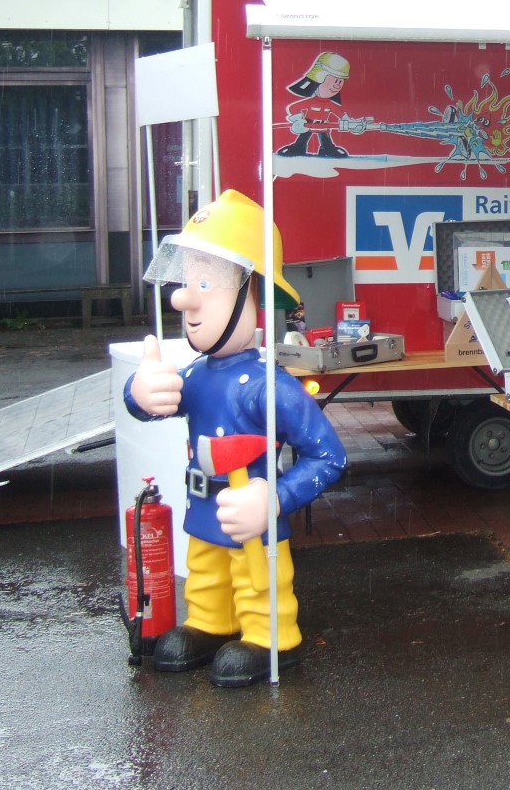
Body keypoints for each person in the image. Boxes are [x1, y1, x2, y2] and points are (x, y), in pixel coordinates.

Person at [124, 189, 346, 687]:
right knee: (205, 575)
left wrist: (275, 499)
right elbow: (153, 404)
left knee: (258, 582)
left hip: (253, 524)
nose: (184, 298)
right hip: (204, 512)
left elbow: (329, 457)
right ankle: (210, 623)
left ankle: (271, 637)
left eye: (206, 283)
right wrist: (139, 392)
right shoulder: (196, 375)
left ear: (253, 292)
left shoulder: (270, 387)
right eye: (188, 281)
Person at [278, 51, 352, 158]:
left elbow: (339, 113)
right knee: (303, 137)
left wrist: (349, 121)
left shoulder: (330, 105)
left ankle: (327, 149)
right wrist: (299, 120)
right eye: (334, 81)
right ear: (318, 79)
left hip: (324, 126)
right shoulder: (310, 102)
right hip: (308, 125)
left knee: (326, 140)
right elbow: (294, 108)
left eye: (340, 81)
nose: (337, 85)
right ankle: (298, 148)